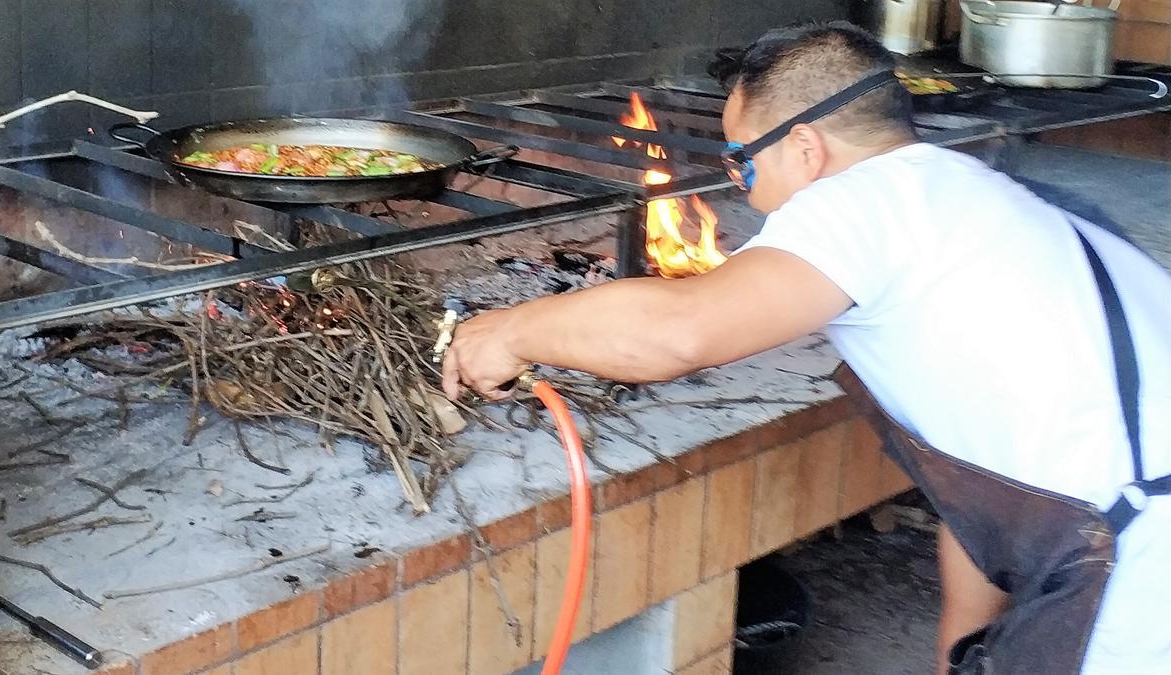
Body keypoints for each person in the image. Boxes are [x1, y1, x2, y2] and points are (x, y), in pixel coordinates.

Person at [441, 23, 1171, 675]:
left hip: (1144, 581)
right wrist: (958, 652)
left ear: (805, 146)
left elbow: (679, 331)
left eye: (742, 165)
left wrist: (510, 329)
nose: (740, 185)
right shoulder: (962, 191)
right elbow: (982, 497)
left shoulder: (862, 201)